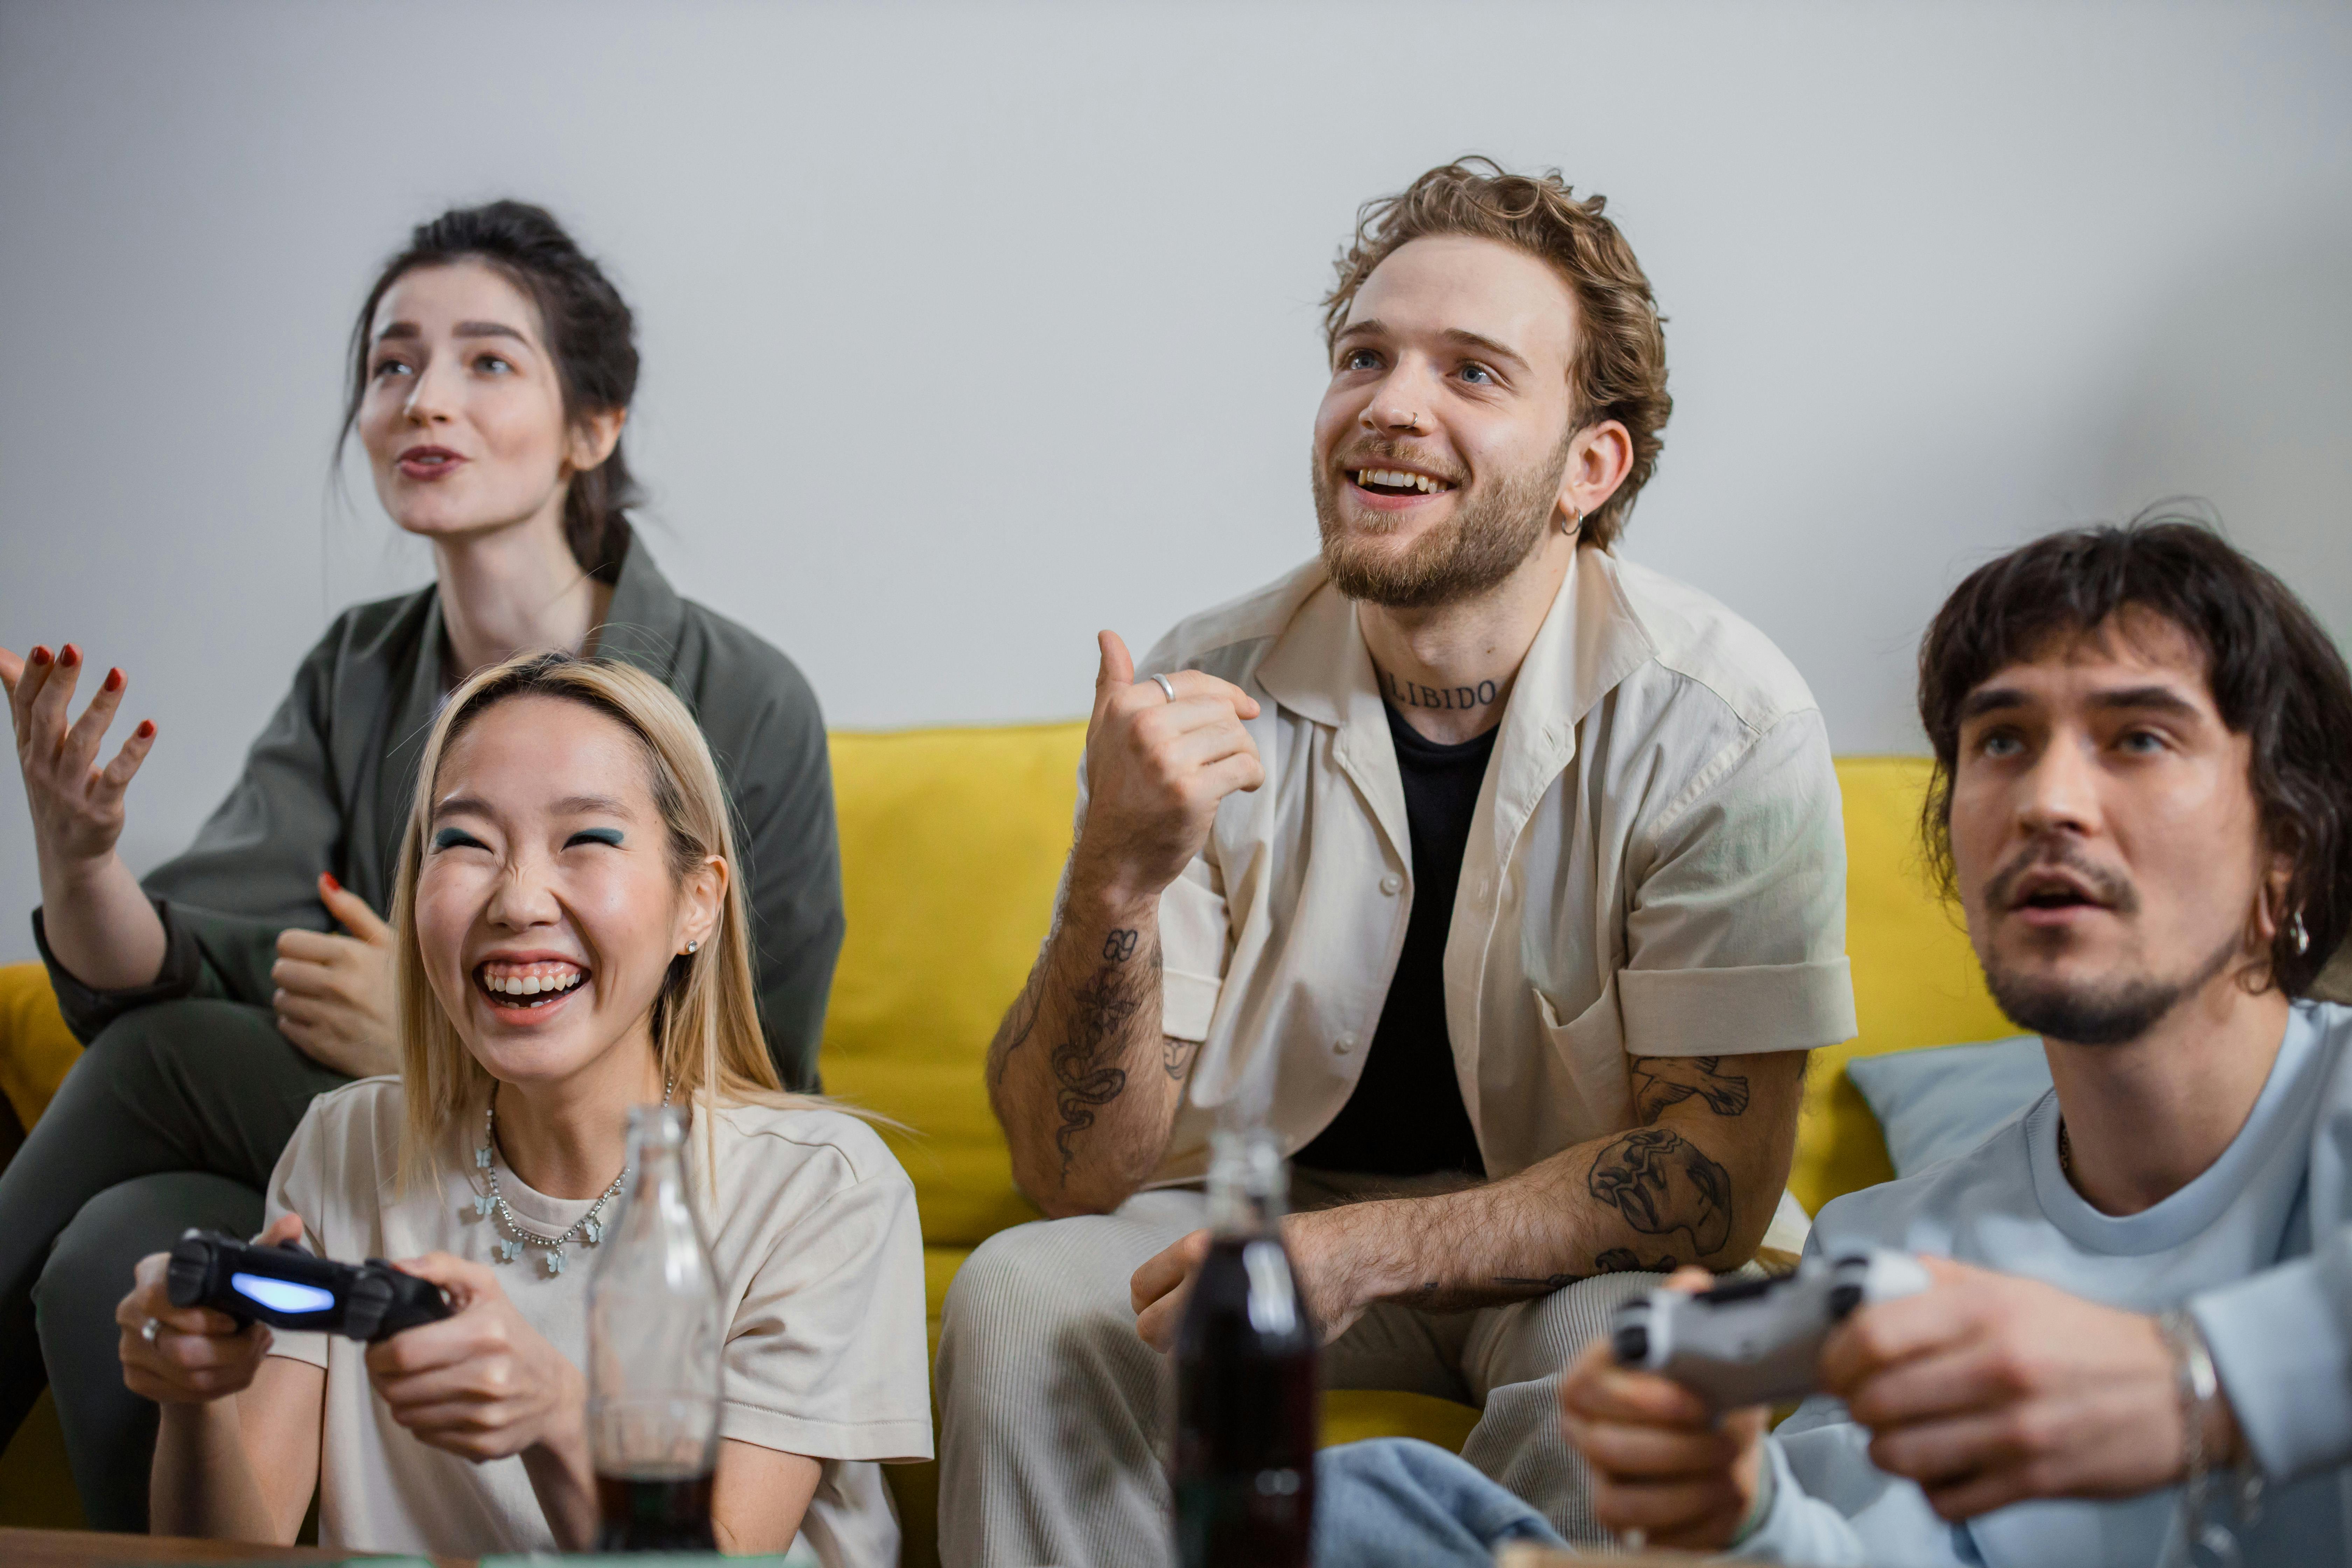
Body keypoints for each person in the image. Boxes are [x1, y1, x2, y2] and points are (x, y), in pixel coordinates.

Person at [937, 158, 1857, 1565]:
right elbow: (1076, 1175)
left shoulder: (1723, 726)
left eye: (1471, 371)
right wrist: (1114, 874)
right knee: (1021, 1295)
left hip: (1576, 1260)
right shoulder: (1204, 683)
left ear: (1591, 468)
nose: (1389, 403)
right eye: (1363, 356)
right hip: (1255, 1215)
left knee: (1645, 1345)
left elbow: (1715, 1174)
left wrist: (1367, 1252)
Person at [0, 201, 844, 1528]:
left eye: (487, 360)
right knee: (120, 1248)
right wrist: (79, 853)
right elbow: (188, 950)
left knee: (152, 1083)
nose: (422, 400)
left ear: (594, 426)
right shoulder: (358, 668)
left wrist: (436, 1028)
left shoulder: (748, 698)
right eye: (392, 365)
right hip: (378, 1154)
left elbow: (760, 1074)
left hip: (607, 1156)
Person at [1323, 517, 2352, 1566]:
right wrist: (1743, 1515)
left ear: (2289, 844)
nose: (2048, 802)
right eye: (2002, 741)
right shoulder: (1894, 1244)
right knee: (1370, 1506)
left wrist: (2201, 1384)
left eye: (2140, 739)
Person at [113, 652, 929, 1562]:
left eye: (587, 839)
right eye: (465, 843)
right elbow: (234, 1553)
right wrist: (194, 1401)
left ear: (697, 903)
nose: (517, 901)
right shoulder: (348, 1144)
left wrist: (552, 1416)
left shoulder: (823, 1192)